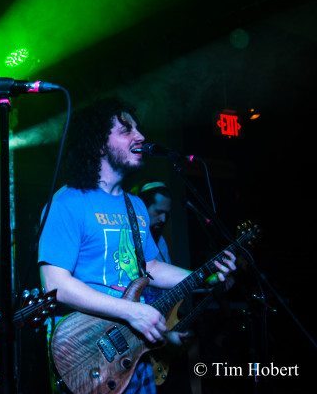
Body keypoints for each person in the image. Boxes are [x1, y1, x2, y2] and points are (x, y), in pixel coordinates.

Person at [38, 97, 236, 393]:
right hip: (87, 351)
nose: (140, 136)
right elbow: (56, 285)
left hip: (134, 348)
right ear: (99, 144)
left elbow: (151, 267)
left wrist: (205, 276)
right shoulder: (67, 202)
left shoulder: (136, 206)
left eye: (138, 129)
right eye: (125, 130)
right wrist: (131, 311)